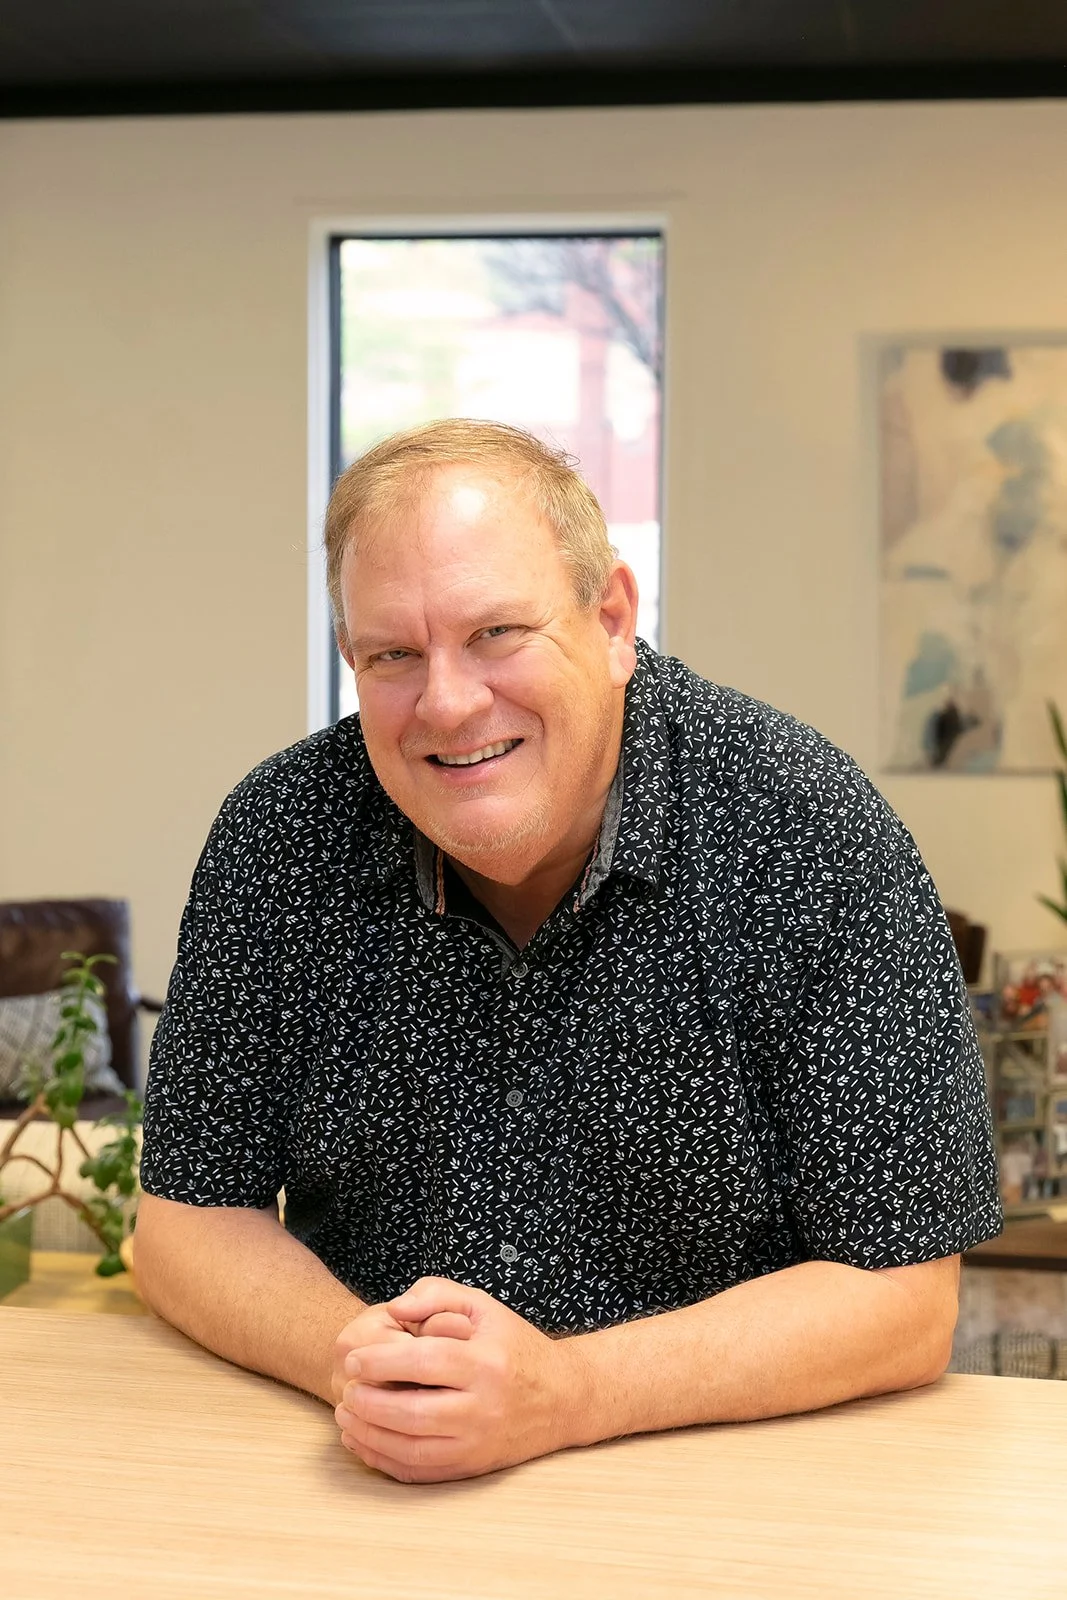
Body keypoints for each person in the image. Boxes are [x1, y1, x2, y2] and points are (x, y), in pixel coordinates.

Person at [135, 418, 1002, 1484]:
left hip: (727, 1488)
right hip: (378, 1478)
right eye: (392, 654)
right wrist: (370, 1369)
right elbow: (184, 1220)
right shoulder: (280, 834)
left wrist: (567, 1395)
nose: (447, 704)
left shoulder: (805, 831)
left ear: (610, 620)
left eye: (496, 631)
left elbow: (902, 1294)